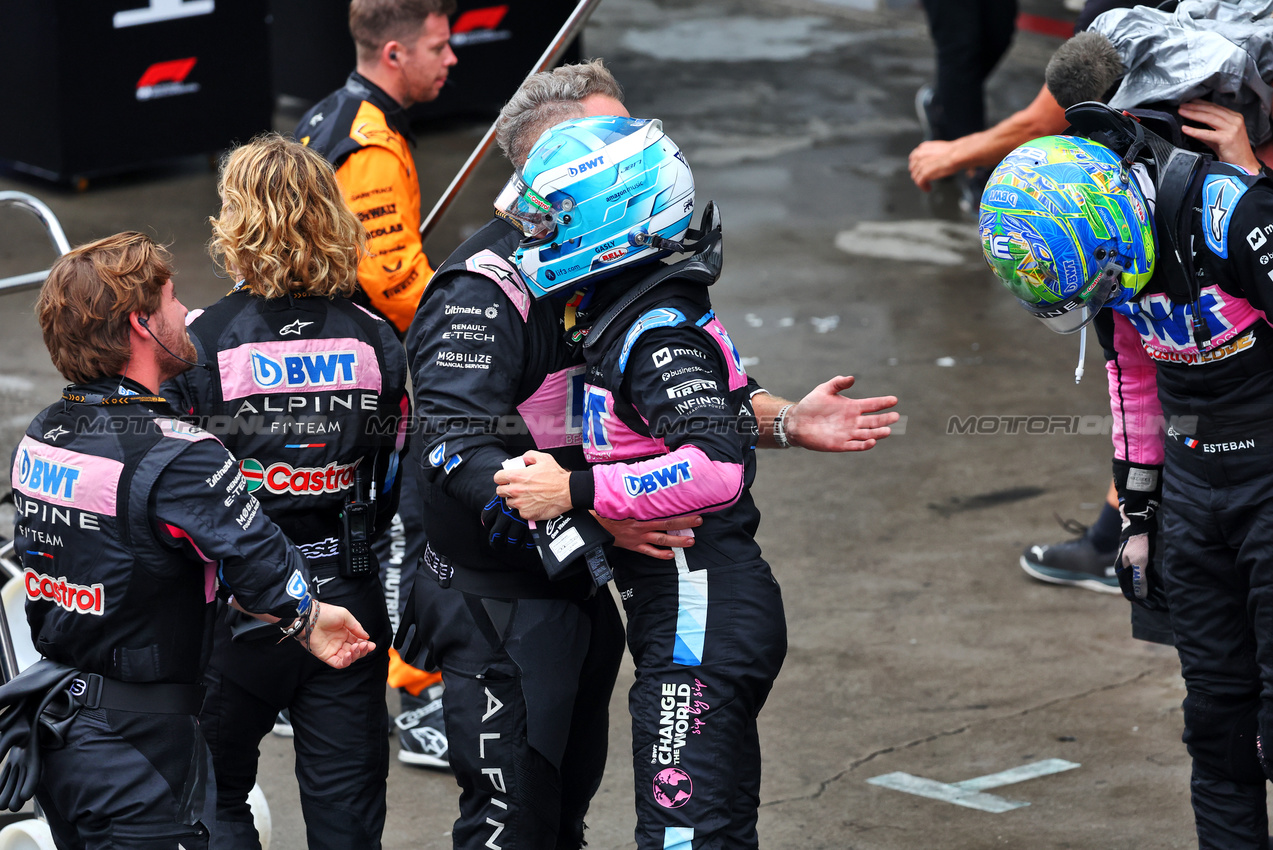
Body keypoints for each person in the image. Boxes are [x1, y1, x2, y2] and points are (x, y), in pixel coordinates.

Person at [397, 59, 898, 850]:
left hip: (602, 587)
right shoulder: (483, 293)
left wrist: (785, 423)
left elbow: (692, 407)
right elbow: (455, 452)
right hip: (504, 598)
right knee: (515, 825)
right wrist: (592, 518)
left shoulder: (625, 273)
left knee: (598, 817)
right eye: (608, 142)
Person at [12, 231, 374, 849]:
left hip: (60, 730)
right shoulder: (177, 453)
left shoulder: (44, 432)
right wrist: (309, 616)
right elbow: (260, 559)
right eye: (174, 300)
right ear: (141, 326)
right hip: (142, 746)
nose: (186, 314)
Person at [979, 116, 1273, 848]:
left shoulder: (1228, 214)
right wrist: (1137, 518)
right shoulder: (1102, 252)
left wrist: (1263, 201)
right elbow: (1133, 384)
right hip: (1194, 494)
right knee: (1216, 729)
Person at [165, 136, 408, 849]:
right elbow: (387, 476)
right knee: (347, 814)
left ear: (236, 223)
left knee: (216, 797)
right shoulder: (375, 338)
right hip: (349, 588)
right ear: (333, 217)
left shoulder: (200, 341)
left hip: (235, 603)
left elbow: (179, 494)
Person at [295, 0, 457, 763]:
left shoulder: (326, 116)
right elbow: (394, 282)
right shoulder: (370, 146)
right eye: (439, 46)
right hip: (363, 374)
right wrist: (480, 317)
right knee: (407, 529)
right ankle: (418, 699)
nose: (450, 60)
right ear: (394, 52)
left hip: (316, 369)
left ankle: (302, 675)